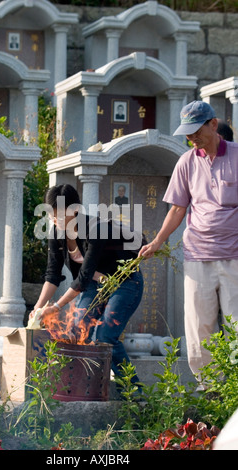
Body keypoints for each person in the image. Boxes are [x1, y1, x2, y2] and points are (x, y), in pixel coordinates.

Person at [139, 100, 238, 386]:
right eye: (187, 133)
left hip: (234, 255)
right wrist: (158, 241)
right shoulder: (186, 162)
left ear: (213, 124)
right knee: (198, 325)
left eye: (197, 130)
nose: (192, 137)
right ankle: (209, 386)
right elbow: (177, 208)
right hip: (197, 255)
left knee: (235, 323)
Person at [30, 184, 144, 389]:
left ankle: (134, 393)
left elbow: (83, 277)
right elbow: (52, 275)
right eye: (50, 214)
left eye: (58, 214)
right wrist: (38, 308)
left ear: (75, 210)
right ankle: (80, 388)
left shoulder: (95, 229)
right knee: (75, 331)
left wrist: (55, 308)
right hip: (95, 283)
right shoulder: (56, 234)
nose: (53, 220)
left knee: (105, 336)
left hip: (124, 282)